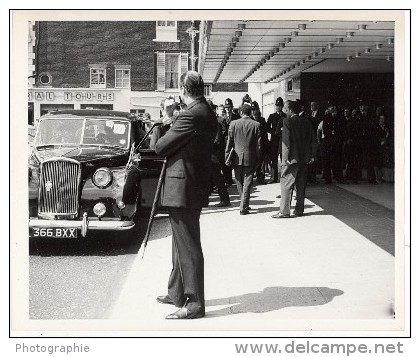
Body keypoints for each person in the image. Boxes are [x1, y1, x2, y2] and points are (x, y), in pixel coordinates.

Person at [154, 71, 217, 319]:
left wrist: (165, 118)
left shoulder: (190, 115)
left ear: (183, 88)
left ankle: (194, 303)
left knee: (188, 245)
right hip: (192, 185)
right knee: (181, 242)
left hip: (183, 188)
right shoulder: (205, 111)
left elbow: (160, 147)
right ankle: (177, 292)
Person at [272, 100, 317, 218]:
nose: (284, 110)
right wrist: (312, 156)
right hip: (304, 159)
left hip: (291, 159)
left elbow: (286, 142)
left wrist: (285, 159)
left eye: (286, 108)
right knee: (301, 186)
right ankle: (299, 210)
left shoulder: (287, 121)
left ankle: (284, 211)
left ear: (291, 110)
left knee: (286, 184)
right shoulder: (307, 122)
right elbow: (313, 140)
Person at [225, 103, 261, 215]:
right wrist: (258, 159)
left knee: (239, 181)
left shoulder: (233, 124)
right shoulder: (256, 125)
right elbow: (258, 146)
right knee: (247, 182)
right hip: (250, 158)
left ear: (241, 112)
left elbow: (229, 142)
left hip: (236, 157)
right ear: (250, 113)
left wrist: (227, 156)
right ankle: (244, 205)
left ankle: (243, 204)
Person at [208, 99, 230, 207]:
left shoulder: (214, 121)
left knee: (217, 177)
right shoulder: (211, 120)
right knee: (214, 177)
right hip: (211, 153)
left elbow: (217, 139)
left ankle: (225, 199)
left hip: (212, 153)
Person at [220, 98, 241, 186]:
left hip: (235, 141)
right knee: (226, 160)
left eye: (229, 107)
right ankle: (228, 179)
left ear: (232, 107)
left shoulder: (236, 118)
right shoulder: (222, 118)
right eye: (226, 107)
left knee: (235, 160)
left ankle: (237, 178)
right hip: (225, 143)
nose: (228, 109)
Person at [266, 97, 286, 183]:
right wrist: (273, 132)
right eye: (277, 105)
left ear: (282, 106)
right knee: (274, 159)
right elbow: (267, 127)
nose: (278, 107)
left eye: (280, 105)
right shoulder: (272, 116)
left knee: (283, 159)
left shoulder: (285, 116)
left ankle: (284, 177)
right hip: (274, 140)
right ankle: (274, 177)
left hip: (282, 140)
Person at [250, 101, 268, 184]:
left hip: (261, 144)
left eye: (255, 109)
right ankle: (250, 178)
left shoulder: (262, 120)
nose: (253, 111)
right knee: (252, 161)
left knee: (261, 162)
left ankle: (260, 177)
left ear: (258, 110)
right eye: (252, 109)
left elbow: (265, 133)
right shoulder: (249, 120)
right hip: (252, 144)